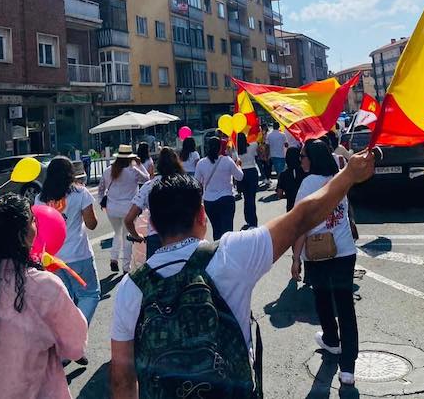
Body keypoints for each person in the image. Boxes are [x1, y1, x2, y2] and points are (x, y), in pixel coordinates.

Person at [110, 151, 374, 398]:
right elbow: (302, 217)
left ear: (153, 224)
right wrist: (348, 174)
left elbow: (122, 379)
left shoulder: (130, 287)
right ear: (202, 216)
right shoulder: (230, 254)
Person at [0, 194, 87, 399]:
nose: (37, 223)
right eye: (32, 219)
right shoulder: (45, 287)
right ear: (23, 235)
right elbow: (75, 347)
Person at [291, 139, 359, 386]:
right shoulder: (339, 177)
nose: (301, 160)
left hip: (318, 252)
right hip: (344, 250)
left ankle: (332, 340)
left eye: (303, 156)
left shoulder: (308, 183)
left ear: (313, 158)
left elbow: (300, 223)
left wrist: (295, 258)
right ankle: (348, 369)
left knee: (322, 298)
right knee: (346, 307)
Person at [36, 157, 99, 365]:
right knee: (90, 295)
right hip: (78, 254)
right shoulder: (80, 193)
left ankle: (69, 346)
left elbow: (38, 229)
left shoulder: (39, 198)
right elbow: (91, 224)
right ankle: (73, 343)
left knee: (66, 302)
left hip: (52, 257)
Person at [124, 147, 185, 259]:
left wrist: (136, 236)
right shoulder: (184, 184)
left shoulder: (148, 186)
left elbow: (128, 220)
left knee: (156, 274)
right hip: (181, 237)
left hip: (156, 238)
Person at [98, 145, 150, 273]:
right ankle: (126, 267)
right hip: (128, 208)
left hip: (112, 208)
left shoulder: (108, 170)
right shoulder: (133, 171)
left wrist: (101, 201)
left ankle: (114, 258)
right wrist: (140, 165)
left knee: (117, 233)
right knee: (128, 236)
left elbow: (101, 189)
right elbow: (147, 178)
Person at [195, 137, 244, 240]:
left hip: (209, 200)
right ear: (220, 148)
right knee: (228, 231)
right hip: (226, 198)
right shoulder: (227, 161)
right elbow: (240, 177)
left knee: (216, 230)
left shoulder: (201, 163)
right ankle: (228, 252)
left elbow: (196, 182)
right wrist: (238, 165)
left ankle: (218, 252)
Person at [234, 133, 260, 229]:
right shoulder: (253, 146)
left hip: (242, 173)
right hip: (252, 171)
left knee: (246, 197)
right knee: (252, 197)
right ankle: (253, 220)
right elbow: (257, 144)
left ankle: (248, 218)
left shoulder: (235, 150)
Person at [277, 147, 307, 212]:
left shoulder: (283, 175)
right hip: (305, 204)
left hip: (291, 207)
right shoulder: (305, 171)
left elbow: (279, 194)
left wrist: (288, 195)